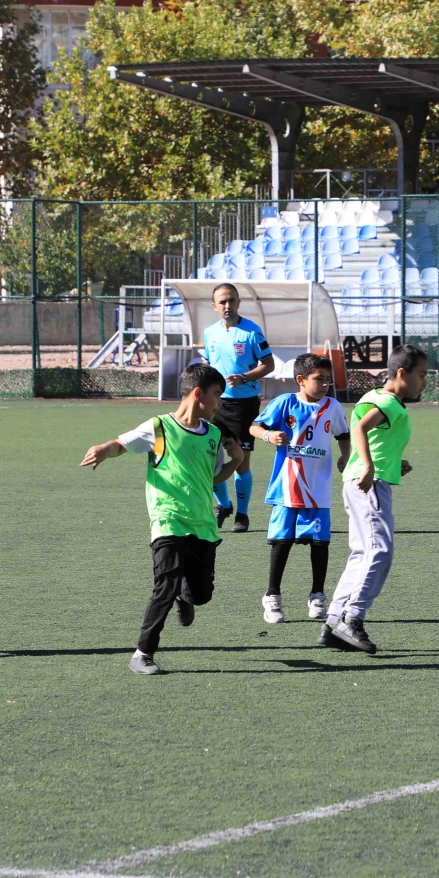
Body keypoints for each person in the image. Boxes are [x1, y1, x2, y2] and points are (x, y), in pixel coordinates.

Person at [79, 364, 244, 676]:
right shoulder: (159, 427)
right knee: (165, 584)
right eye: (217, 396)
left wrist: (235, 461)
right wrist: (104, 448)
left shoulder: (214, 435)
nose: (219, 403)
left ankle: (187, 595)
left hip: (203, 524)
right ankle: (143, 654)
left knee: (201, 594)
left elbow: (213, 478)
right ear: (198, 394)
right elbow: (121, 444)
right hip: (167, 519)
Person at [325, 345, 427, 655]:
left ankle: (332, 622)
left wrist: (395, 463)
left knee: (362, 553)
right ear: (401, 374)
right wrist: (370, 468)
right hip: (369, 484)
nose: (424, 381)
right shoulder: (388, 403)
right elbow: (359, 428)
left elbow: (373, 439)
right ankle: (352, 618)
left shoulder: (376, 397)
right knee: (380, 550)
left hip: (361, 481)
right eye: (421, 375)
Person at [250, 352, 350, 625]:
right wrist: (269, 435)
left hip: (319, 486)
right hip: (287, 485)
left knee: (320, 542)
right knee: (282, 541)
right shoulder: (285, 403)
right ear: (301, 380)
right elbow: (255, 427)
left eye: (328, 380)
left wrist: (345, 455)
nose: (325, 385)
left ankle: (317, 595)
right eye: (319, 379)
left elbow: (343, 434)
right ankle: (272, 596)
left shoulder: (333, 407)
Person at [202, 283, 274, 532]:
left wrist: (245, 377)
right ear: (214, 306)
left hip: (244, 405)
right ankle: (224, 505)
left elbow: (269, 364)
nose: (227, 305)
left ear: (239, 302)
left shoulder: (252, 332)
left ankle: (242, 516)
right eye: (222, 301)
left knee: (240, 461)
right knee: (211, 459)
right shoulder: (209, 333)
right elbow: (208, 364)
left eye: (231, 300)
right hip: (214, 404)